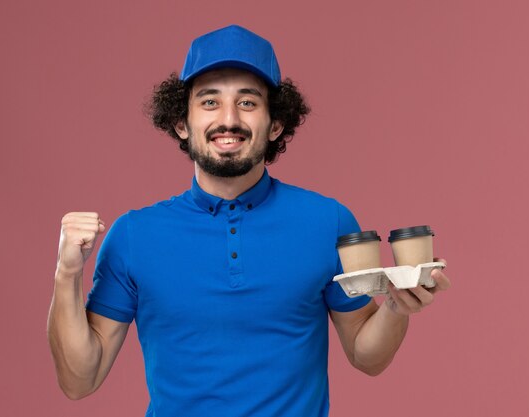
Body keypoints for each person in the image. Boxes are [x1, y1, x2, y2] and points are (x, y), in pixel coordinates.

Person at [48, 25, 451, 417]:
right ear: (182, 124)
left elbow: (368, 356)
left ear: (275, 124)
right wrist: (67, 274)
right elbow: (79, 380)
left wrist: (396, 307)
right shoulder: (134, 235)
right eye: (209, 102)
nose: (229, 120)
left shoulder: (329, 221)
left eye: (247, 102)